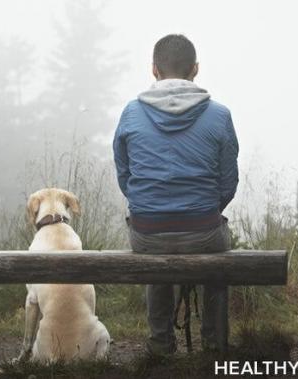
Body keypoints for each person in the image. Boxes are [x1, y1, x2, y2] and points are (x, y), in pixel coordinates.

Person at [112, 34, 239, 355]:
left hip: (147, 234)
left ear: (154, 70)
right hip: (204, 232)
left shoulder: (130, 114)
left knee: (155, 252)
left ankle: (161, 345)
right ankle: (214, 345)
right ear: (195, 69)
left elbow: (125, 175)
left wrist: (152, 207)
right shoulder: (219, 115)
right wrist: (203, 211)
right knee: (217, 258)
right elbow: (228, 182)